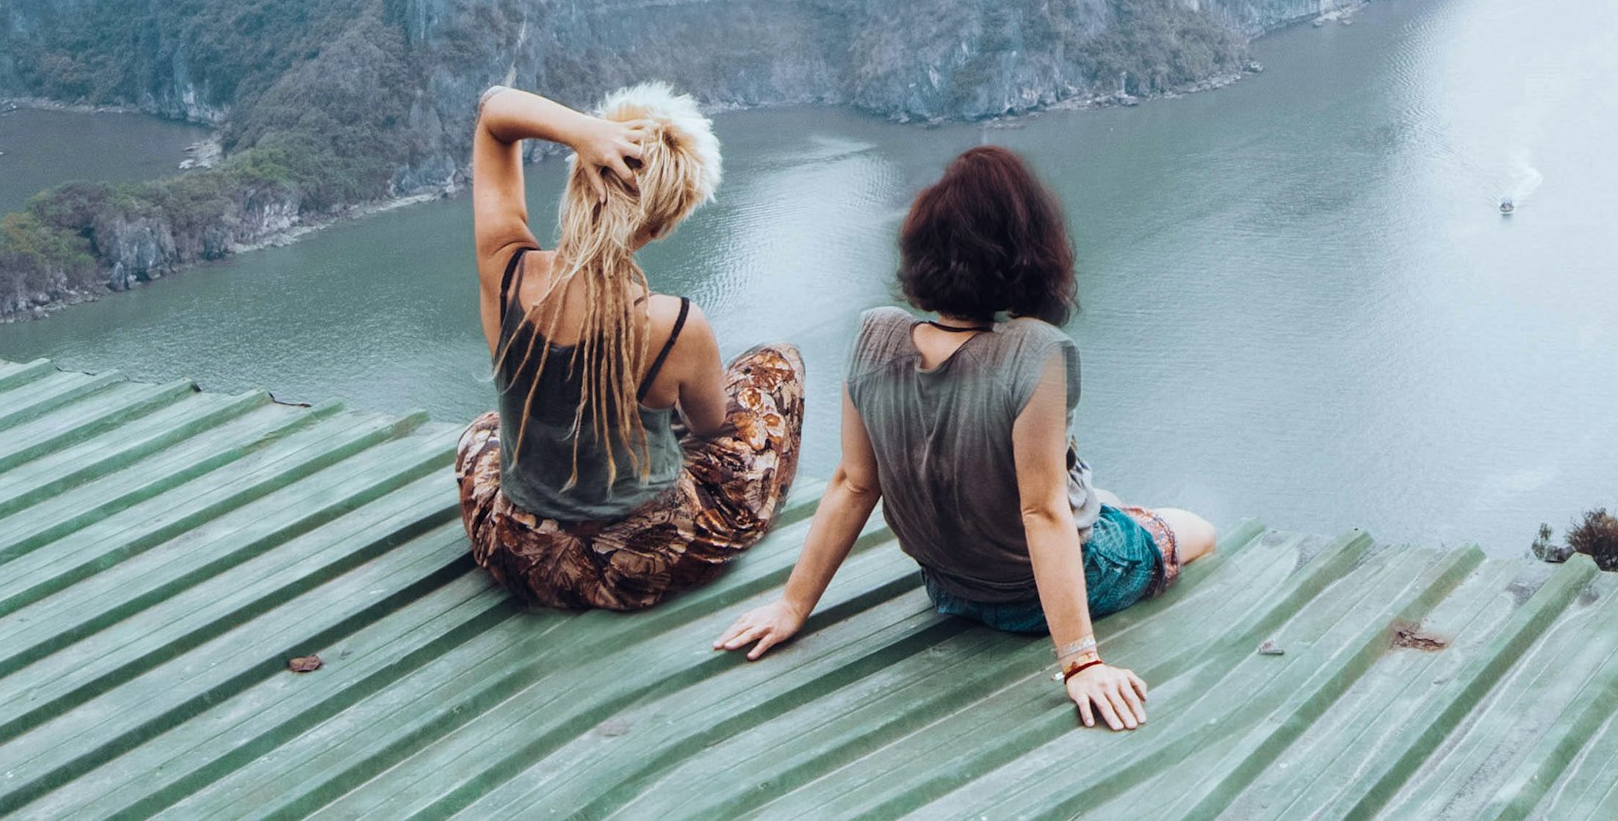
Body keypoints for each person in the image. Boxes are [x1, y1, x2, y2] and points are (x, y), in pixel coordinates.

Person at [713, 144, 1215, 731]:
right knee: (1194, 527)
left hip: (947, 586)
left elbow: (853, 483)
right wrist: (1082, 662)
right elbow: (1041, 511)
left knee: (1102, 504)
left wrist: (793, 605)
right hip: (1034, 593)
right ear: (1023, 256)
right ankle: (1135, 526)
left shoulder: (875, 335)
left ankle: (1118, 516)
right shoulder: (1036, 351)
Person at [452, 80, 804, 611]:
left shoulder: (505, 269)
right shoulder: (675, 324)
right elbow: (710, 427)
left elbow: (494, 111)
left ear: (580, 178)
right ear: (660, 227)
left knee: (485, 431)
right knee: (776, 366)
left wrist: (583, 132)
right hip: (639, 560)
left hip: (519, 550)